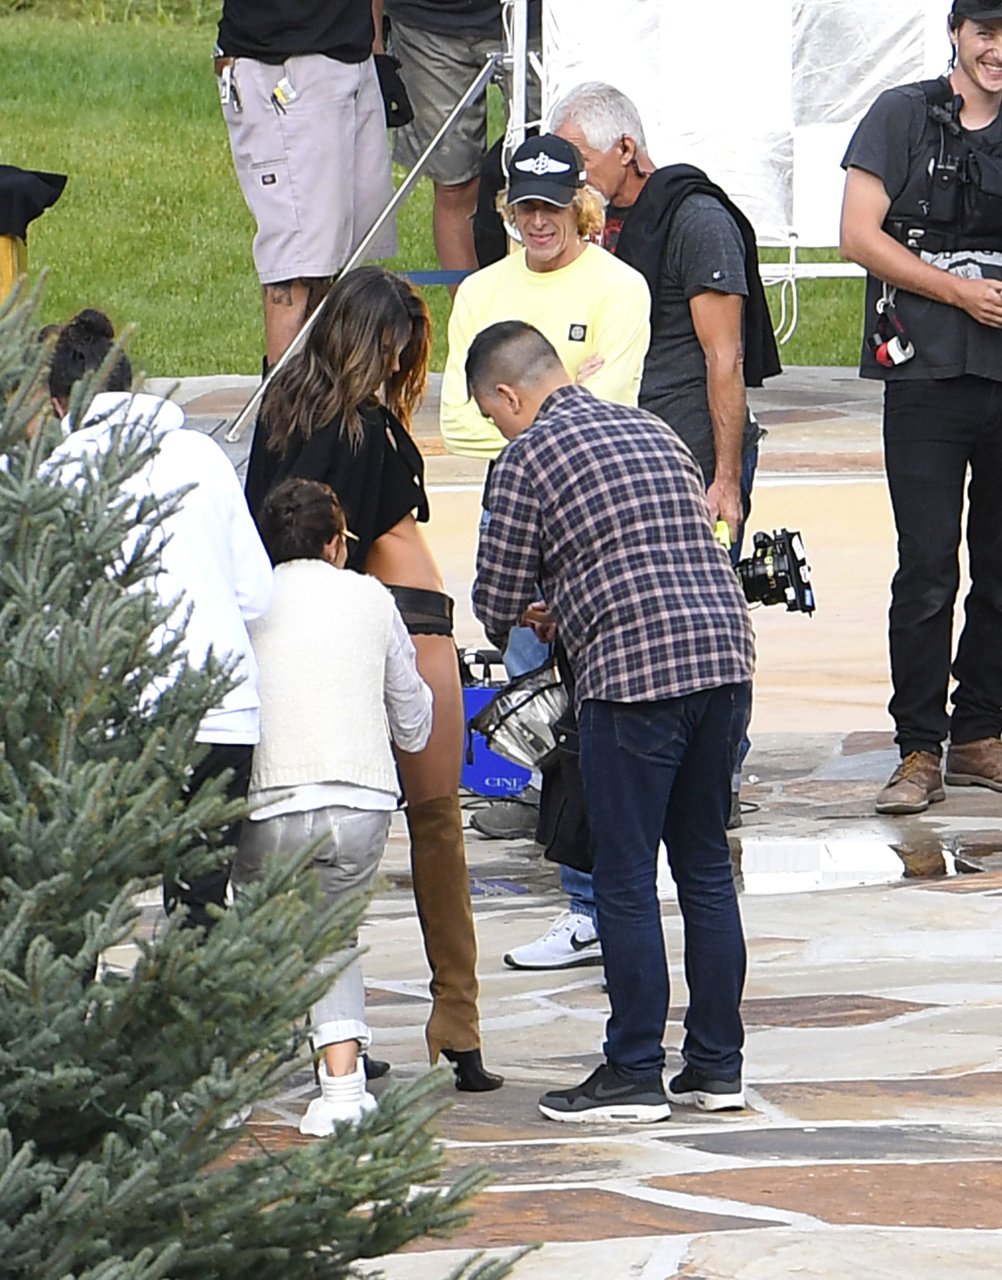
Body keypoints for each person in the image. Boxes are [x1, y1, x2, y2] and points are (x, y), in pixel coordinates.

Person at [500, 82, 781, 972]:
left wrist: (725, 480)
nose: (571, 174)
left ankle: (702, 790)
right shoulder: (600, 228)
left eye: (580, 157)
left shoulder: (694, 221)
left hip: (689, 463)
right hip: (623, 457)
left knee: (696, 635)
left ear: (626, 149)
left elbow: (724, 357)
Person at [470, 321, 753, 1123]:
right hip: (724, 660)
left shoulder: (527, 457)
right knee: (704, 868)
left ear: (508, 395)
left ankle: (632, 1071)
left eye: (493, 415)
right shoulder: (653, 428)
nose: (500, 429)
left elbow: (496, 598)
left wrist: (537, 608)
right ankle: (716, 1066)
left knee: (624, 878)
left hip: (632, 682)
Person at [244, 265, 502, 1092]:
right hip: (407, 625)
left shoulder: (278, 417)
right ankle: (456, 1018)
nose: (401, 365)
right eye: (397, 349)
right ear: (375, 345)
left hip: (298, 631)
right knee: (436, 828)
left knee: (307, 844)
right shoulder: (369, 430)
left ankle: (323, 1030)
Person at [46, 309, 273, 931]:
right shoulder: (202, 456)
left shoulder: (60, 474)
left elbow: (50, 620)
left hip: (113, 721)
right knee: (202, 906)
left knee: (82, 910)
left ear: (61, 403)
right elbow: (256, 594)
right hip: (222, 711)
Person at [840, 0, 1002, 815]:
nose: (998, 50)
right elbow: (857, 234)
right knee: (928, 567)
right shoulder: (901, 113)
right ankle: (918, 748)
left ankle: (980, 734)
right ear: (956, 33)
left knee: (1001, 567)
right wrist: (959, 292)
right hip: (923, 376)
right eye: (986, 33)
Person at [232, 478, 433, 1133]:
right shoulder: (371, 598)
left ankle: (229, 1085)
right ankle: (342, 1089)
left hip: (271, 795)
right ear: (333, 542)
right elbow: (413, 721)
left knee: (248, 935)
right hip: (359, 797)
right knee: (332, 937)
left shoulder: (248, 602)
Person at [439, 132, 651, 459]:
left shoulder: (622, 287)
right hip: (509, 486)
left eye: (552, 207)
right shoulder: (477, 291)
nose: (538, 222)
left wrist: (509, 420)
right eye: (527, 207)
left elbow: (606, 414)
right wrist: (572, 393)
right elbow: (456, 425)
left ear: (579, 207)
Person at [214, 1, 396, 368]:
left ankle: (330, 396)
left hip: (352, 52)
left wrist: (376, 49)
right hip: (283, 59)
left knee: (348, 258)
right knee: (299, 263)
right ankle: (283, 401)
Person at [384, 0, 541, 281]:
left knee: (550, 172)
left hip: (536, 21)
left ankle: (552, 302)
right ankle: (468, 308)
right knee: (454, 184)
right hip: (428, 24)